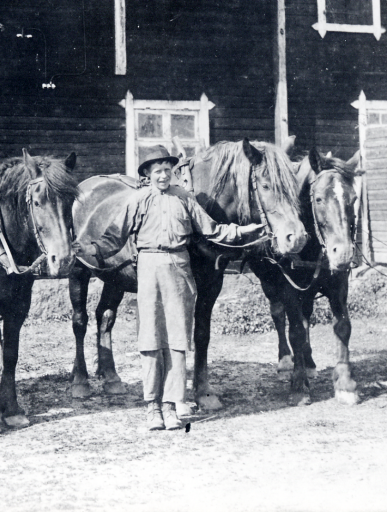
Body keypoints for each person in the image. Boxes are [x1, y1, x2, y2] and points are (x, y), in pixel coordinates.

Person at [73, 145, 263, 431]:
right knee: (149, 339)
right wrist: (89, 247)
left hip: (179, 268)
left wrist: (241, 231)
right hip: (148, 267)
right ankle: (152, 406)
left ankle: (172, 405)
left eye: (167, 171)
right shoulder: (137, 200)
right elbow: (114, 237)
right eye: (157, 171)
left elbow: (212, 229)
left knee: (177, 340)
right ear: (147, 175)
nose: (163, 176)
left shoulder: (184, 198)